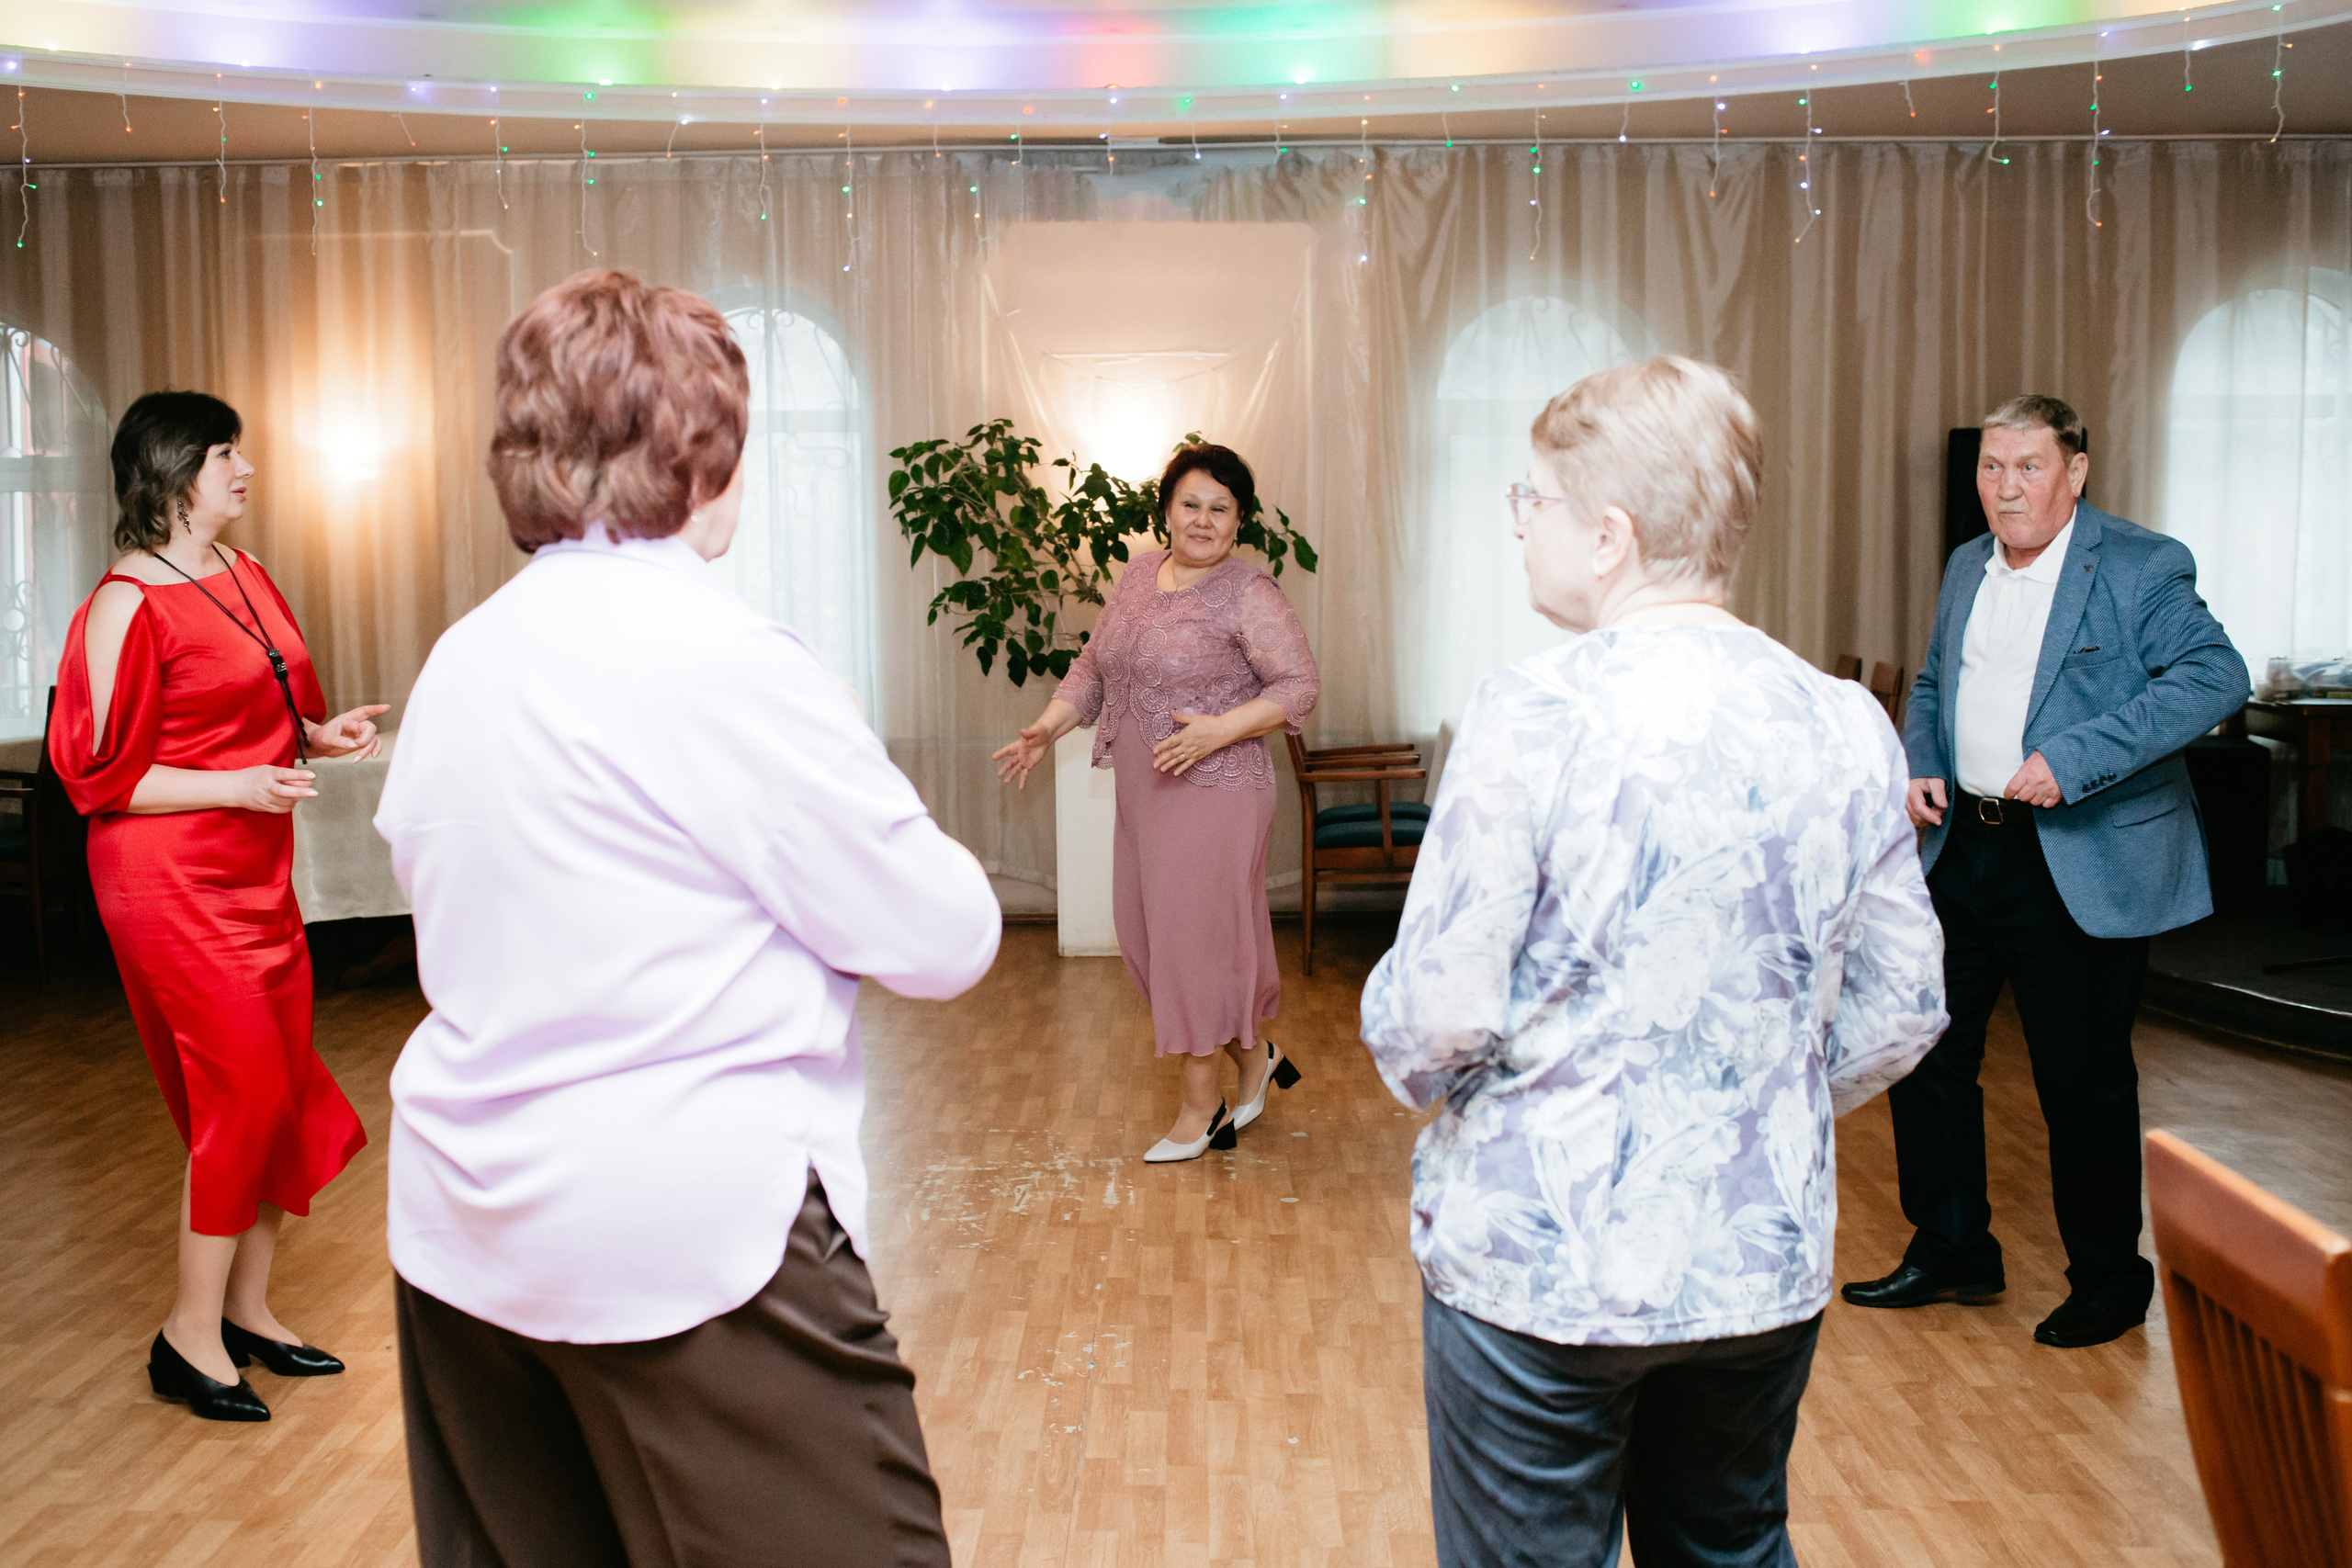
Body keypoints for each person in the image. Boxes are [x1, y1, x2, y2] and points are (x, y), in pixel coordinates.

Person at [376, 269, 1001, 1568]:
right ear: (697, 454)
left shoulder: (464, 657)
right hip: (683, 1233)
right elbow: (947, 934)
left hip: (467, 1235)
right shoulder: (718, 656)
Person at [1361, 356, 1949, 1568]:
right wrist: (1743, 1093)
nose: (1521, 526)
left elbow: (1434, 1015)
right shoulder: (1842, 716)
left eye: (1534, 501)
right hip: (1757, 1257)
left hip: (1542, 1263)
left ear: (1610, 535)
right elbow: (1904, 1000)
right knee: (1729, 1547)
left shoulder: (1533, 710)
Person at [1842, 394, 2249, 1349]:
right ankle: (1951, 1251)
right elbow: (1937, 679)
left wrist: (2078, 756)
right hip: (1963, 848)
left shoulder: (2142, 564)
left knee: (2082, 1081)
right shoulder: (1964, 565)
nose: (2006, 487)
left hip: (2079, 854)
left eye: (2028, 467)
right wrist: (1920, 758)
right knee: (1925, 1050)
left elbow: (2214, 677)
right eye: (1992, 468)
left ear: (2074, 471)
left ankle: (2109, 1282)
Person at [48, 390, 383, 1423]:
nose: (245, 470)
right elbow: (98, 777)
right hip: (167, 875)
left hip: (252, 864)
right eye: (224, 454)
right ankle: (187, 1339)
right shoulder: (121, 603)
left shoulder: (241, 573)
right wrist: (235, 786)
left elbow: (250, 712)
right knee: (237, 1093)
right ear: (170, 470)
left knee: (274, 1086)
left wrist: (313, 733)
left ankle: (247, 1313)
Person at [994, 444, 1319, 1162]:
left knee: (1191, 943)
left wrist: (1219, 730)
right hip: (1149, 790)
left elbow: (1298, 685)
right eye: (1191, 504)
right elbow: (1093, 666)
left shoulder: (1248, 592)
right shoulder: (1141, 572)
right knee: (1158, 932)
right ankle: (1258, 1055)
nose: (1203, 520)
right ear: (1167, 510)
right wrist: (1048, 727)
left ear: (1239, 521)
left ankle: (1203, 1111)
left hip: (1219, 791)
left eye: (1221, 508)